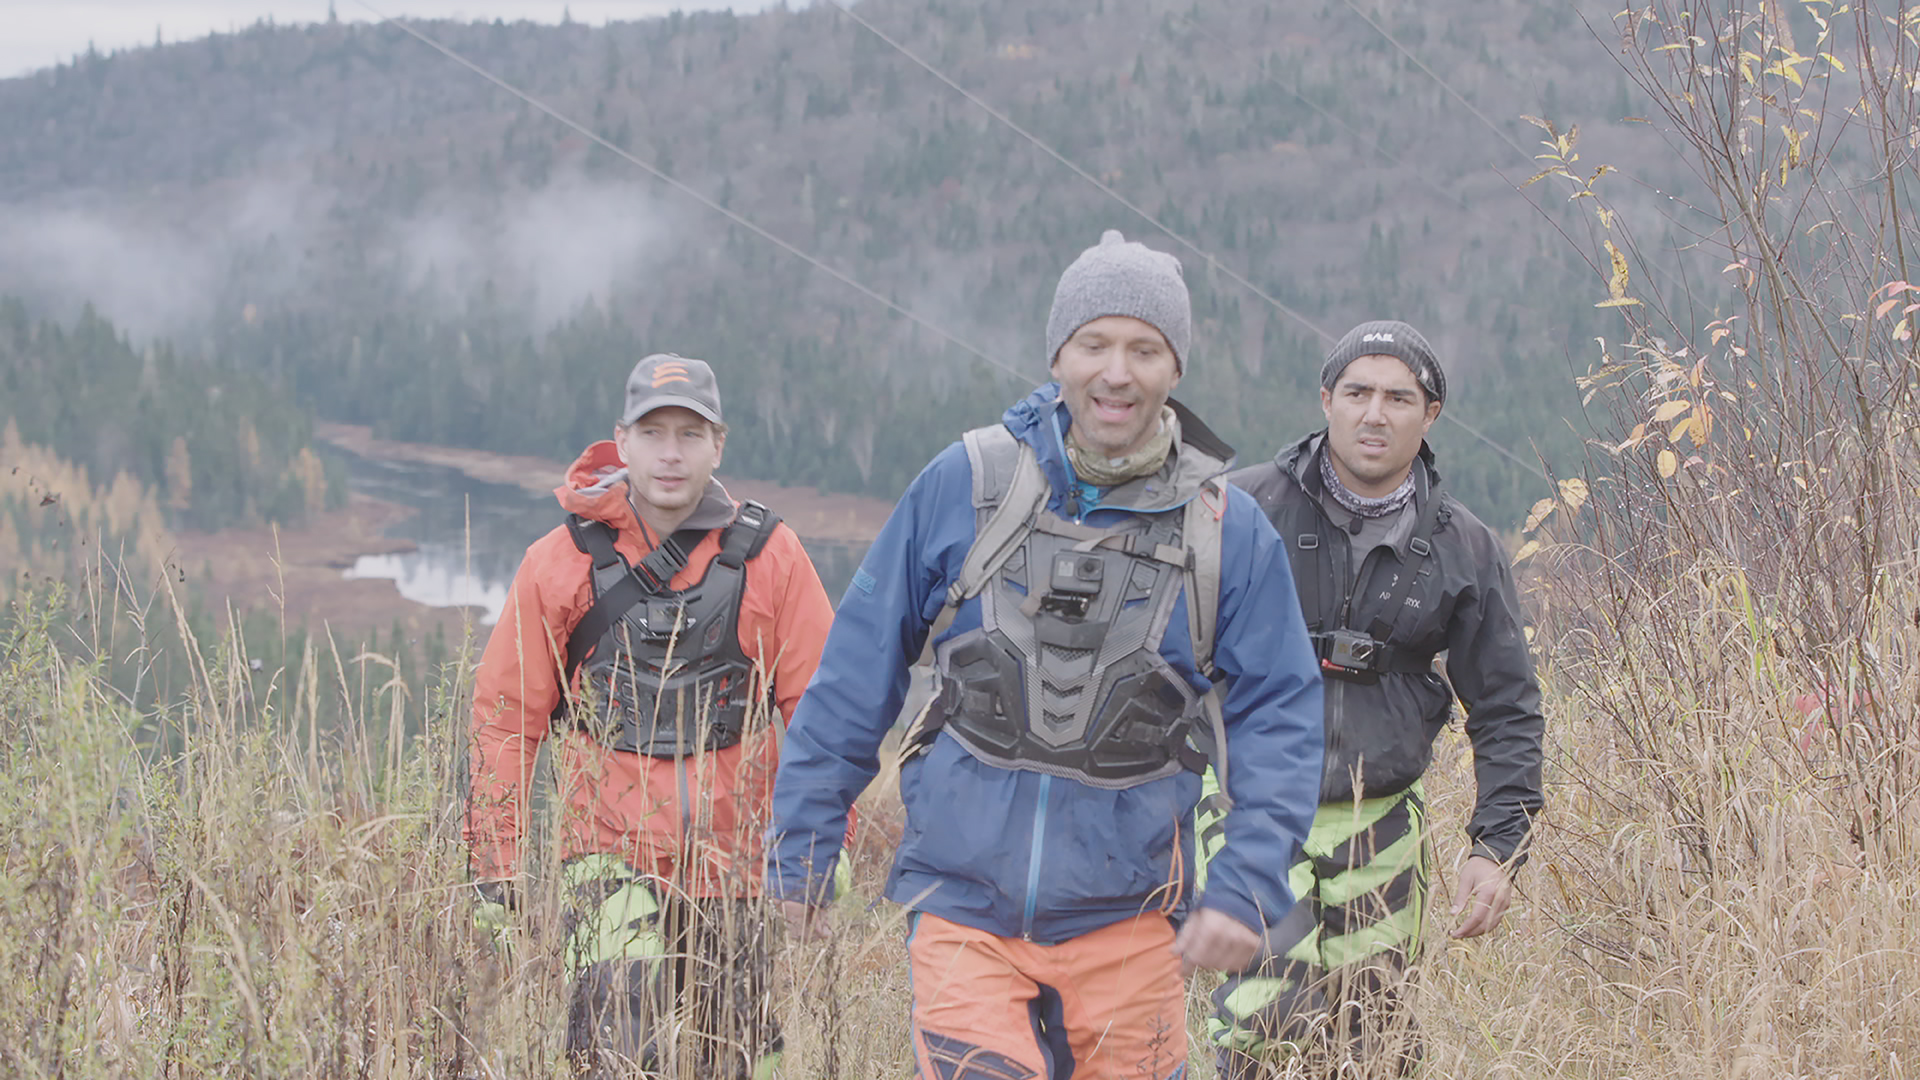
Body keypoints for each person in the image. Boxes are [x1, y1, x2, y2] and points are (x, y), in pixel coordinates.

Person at [765, 230, 1326, 1080]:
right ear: (1057, 354)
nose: (1116, 372)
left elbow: (1281, 716)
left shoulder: (1224, 531)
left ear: (1176, 369)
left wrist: (1248, 883)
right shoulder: (966, 485)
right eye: (1094, 343)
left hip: (1134, 927)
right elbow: (855, 675)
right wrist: (803, 841)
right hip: (963, 912)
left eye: (1145, 348)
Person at [466, 353, 833, 1080]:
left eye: (690, 434)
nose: (671, 453)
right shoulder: (559, 563)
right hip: (605, 852)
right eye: (654, 432)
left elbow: (824, 712)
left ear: (718, 444)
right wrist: (496, 867)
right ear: (621, 440)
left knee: (732, 1062)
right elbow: (506, 718)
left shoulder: (772, 557)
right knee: (615, 1052)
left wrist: (819, 849)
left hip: (731, 863)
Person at [1208, 320, 1546, 1077]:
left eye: (1399, 397)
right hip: (1248, 797)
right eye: (1357, 392)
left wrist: (1497, 847)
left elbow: (1507, 706)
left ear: (1429, 417)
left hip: (1381, 807)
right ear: (1326, 399)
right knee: (1272, 1013)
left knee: (1372, 1030)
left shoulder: (1463, 545)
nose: (1374, 412)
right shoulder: (1239, 510)